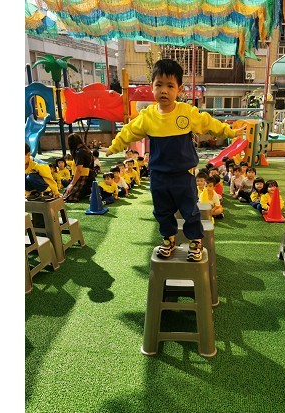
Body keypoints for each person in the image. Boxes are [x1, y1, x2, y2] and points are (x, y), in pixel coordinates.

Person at [104, 58, 245, 261]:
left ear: (179, 89)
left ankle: (195, 242)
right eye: (159, 85)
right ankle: (168, 240)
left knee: (190, 211)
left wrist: (229, 131)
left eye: (170, 86)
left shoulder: (186, 113)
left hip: (183, 175)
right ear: (151, 87)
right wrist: (114, 147)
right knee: (162, 211)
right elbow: (128, 131)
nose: (164, 90)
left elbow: (208, 123)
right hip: (159, 176)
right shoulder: (147, 116)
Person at [63, 133, 96, 202]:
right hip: (90, 177)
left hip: (84, 177)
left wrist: (72, 184)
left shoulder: (79, 153)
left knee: (68, 196)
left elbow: (79, 170)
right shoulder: (87, 150)